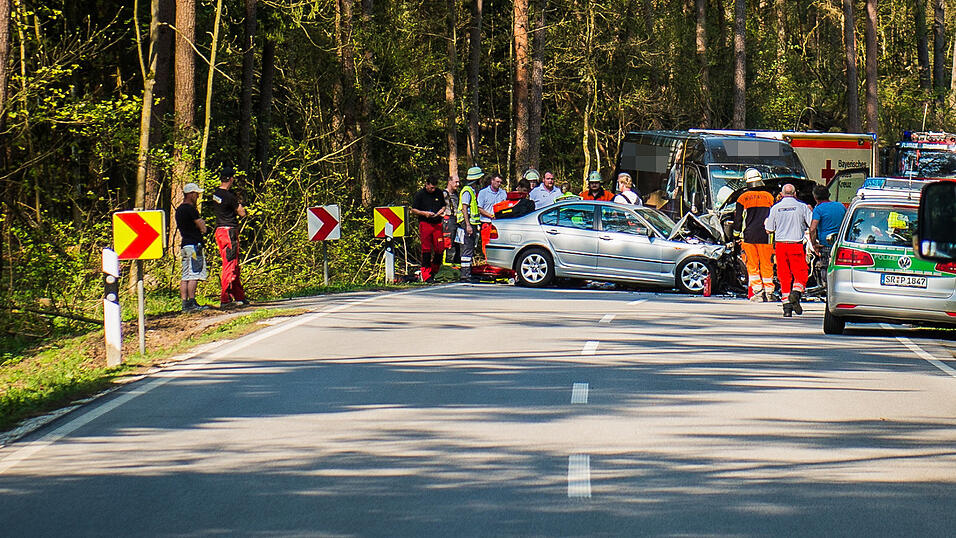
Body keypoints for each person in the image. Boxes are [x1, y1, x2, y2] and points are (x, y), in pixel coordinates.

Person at [765, 183, 813, 317]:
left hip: (780, 245)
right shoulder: (802, 207)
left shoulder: (775, 208)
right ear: (795, 193)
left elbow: (769, 229)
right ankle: (795, 294)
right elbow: (811, 224)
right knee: (801, 272)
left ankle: (787, 308)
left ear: (781, 194)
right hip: (796, 244)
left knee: (784, 275)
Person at [734, 168, 775, 302]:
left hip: (749, 237)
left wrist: (735, 235)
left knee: (752, 264)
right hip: (766, 236)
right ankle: (769, 292)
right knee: (766, 264)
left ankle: (758, 292)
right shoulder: (769, 197)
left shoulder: (742, 198)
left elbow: (738, 219)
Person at [211, 166, 248, 307]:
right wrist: (240, 205)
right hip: (229, 232)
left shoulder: (215, 194)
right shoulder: (229, 196)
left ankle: (239, 296)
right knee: (230, 264)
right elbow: (242, 213)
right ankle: (225, 298)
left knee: (233, 264)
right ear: (231, 179)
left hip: (219, 231)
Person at [175, 182, 209, 312]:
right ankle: (192, 302)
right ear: (190, 194)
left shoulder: (179, 210)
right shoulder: (191, 209)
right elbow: (203, 228)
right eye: (196, 194)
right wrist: (203, 226)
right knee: (194, 274)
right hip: (194, 245)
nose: (197, 197)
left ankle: (184, 303)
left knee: (185, 274)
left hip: (185, 245)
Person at [410, 175, 447, 282]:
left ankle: (435, 270)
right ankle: (426, 273)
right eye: (431, 187)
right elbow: (413, 210)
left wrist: (440, 212)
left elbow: (443, 206)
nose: (433, 190)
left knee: (440, 248)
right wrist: (424, 213)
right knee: (426, 249)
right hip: (425, 223)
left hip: (437, 223)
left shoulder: (439, 193)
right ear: (426, 185)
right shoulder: (420, 194)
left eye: (434, 188)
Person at [457, 166, 483, 282]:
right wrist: (467, 225)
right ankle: (465, 274)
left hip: (471, 223)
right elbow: (464, 208)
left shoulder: (471, 191)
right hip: (467, 224)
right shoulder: (467, 191)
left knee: (470, 248)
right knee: (467, 249)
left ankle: (467, 273)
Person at [809, 184, 846, 258]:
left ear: (815, 197)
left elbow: (812, 228)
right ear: (828, 194)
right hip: (840, 243)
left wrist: (814, 244)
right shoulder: (840, 206)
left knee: (825, 268)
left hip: (825, 244)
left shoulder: (818, 209)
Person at [477, 173, 507, 257]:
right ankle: (487, 260)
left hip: (500, 223)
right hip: (487, 222)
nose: (499, 184)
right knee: (486, 243)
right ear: (492, 181)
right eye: (497, 181)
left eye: (500, 182)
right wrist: (490, 216)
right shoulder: (483, 193)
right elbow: (480, 208)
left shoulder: (503, 193)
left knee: (499, 243)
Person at [443, 175, 461, 265]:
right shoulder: (444, 194)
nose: (458, 184)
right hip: (447, 221)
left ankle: (457, 268)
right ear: (450, 182)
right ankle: (447, 267)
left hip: (457, 222)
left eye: (458, 182)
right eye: (456, 182)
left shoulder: (457, 194)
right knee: (449, 245)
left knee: (458, 245)